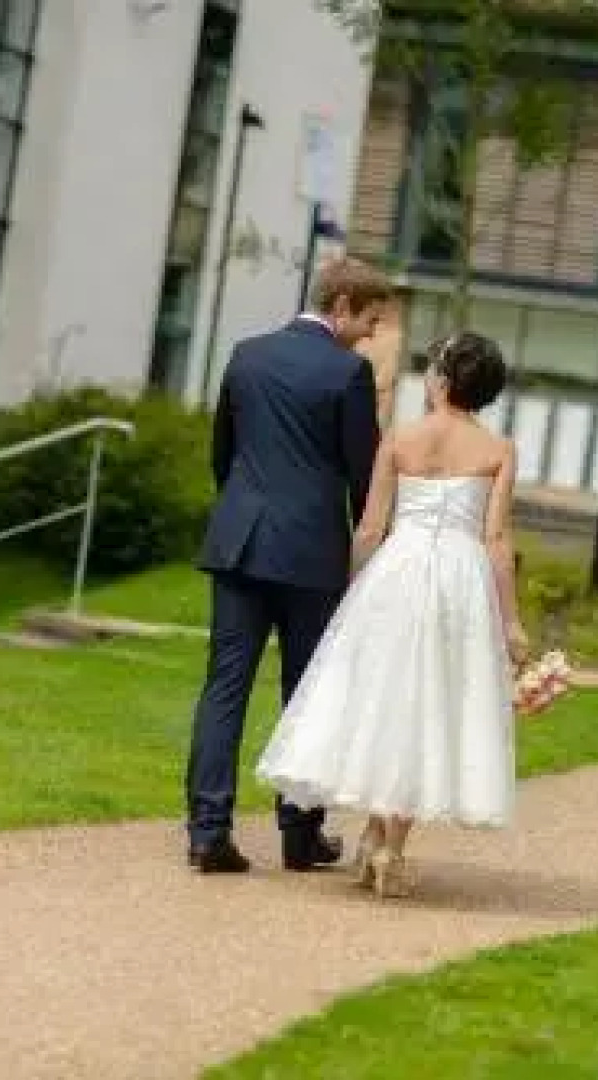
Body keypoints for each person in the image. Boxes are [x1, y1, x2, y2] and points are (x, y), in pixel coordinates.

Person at [256, 331, 528, 899]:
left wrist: (354, 589)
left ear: (443, 380)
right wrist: (511, 620)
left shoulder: (400, 440)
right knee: (429, 702)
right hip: (459, 576)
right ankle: (390, 848)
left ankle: (375, 841)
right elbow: (497, 539)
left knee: (388, 698)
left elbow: (370, 528)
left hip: (398, 571)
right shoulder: (499, 451)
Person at [184, 256, 393, 874]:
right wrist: (368, 549)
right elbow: (365, 478)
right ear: (343, 305)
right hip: (309, 555)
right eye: (370, 321)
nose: (373, 335)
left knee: (224, 687)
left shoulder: (247, 354)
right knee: (306, 694)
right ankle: (300, 836)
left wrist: (244, 512)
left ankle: (207, 831)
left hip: (240, 544)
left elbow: (222, 454)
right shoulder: (348, 373)